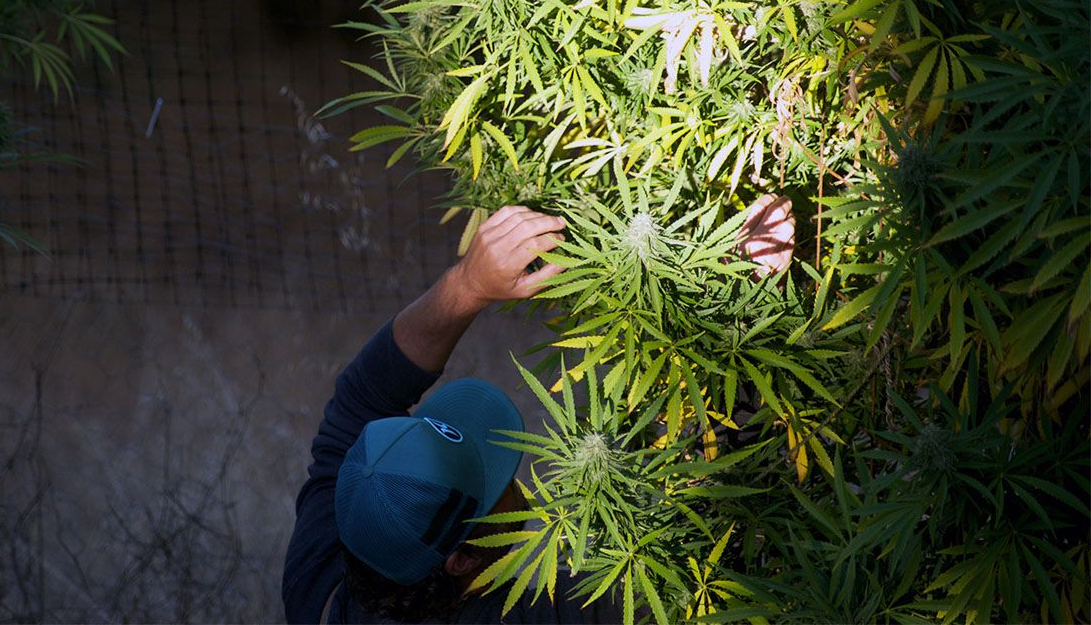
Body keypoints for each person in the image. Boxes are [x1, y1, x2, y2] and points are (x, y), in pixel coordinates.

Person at [283, 198, 795, 624]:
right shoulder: (548, 615)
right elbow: (687, 581)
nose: (517, 473)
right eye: (491, 479)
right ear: (461, 558)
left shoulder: (321, 571)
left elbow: (362, 396)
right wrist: (725, 301)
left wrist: (468, 285)